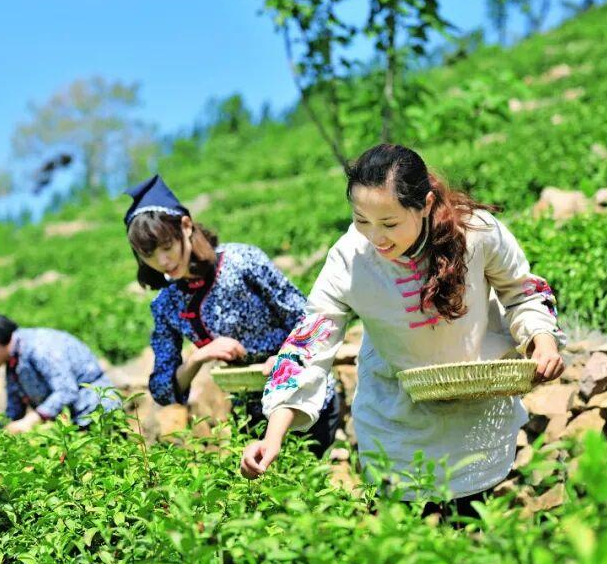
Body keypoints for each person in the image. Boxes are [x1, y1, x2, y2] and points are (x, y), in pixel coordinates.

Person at [241, 144, 566, 519]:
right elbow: (310, 342)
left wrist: (541, 340)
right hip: (396, 420)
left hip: (476, 412)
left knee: (472, 532)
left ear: (425, 204)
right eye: (361, 220)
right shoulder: (349, 259)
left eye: (390, 223)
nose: (375, 237)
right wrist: (273, 434)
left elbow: (521, 290)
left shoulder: (476, 233)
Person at [124, 175, 341, 456]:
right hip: (251, 415)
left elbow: (310, 322)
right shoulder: (166, 304)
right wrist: (199, 357)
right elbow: (164, 390)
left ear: (186, 226)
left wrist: (284, 358)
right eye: (149, 255)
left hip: (305, 400)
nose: (162, 262)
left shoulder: (241, 262)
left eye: (167, 248)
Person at [0, 310, 120, 433]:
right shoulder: (13, 361)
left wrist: (31, 420)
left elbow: (66, 390)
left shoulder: (40, 347)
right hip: (74, 423)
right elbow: (15, 408)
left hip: (97, 414)